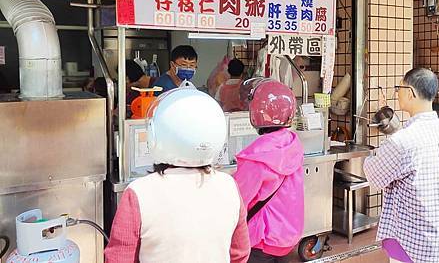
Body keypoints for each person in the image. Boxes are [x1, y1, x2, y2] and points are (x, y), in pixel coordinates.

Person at [104, 88, 250, 263]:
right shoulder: (228, 186)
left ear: (155, 134)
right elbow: (239, 253)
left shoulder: (139, 192)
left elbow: (119, 258)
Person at [364, 68, 439, 263]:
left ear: (410, 93)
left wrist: (370, 157)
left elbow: (374, 176)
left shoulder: (402, 141)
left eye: (399, 88)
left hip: (412, 242)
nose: (397, 93)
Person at [233, 78, 304, 263]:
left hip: (262, 239)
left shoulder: (256, 156)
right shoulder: (292, 144)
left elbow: (237, 200)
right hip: (287, 237)